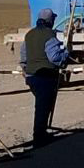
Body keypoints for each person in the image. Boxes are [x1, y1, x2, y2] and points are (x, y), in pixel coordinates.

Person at [20, 8, 71, 146]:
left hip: (31, 76)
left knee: (43, 104)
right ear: (50, 20)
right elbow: (54, 57)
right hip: (45, 76)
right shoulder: (49, 35)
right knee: (42, 106)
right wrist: (66, 53)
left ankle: (41, 132)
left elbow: (23, 56)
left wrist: (25, 70)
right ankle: (39, 136)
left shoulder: (29, 34)